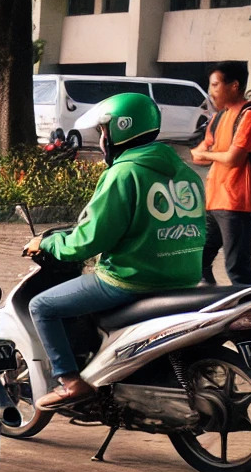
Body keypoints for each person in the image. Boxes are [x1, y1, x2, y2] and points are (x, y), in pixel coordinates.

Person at [26, 92, 208, 409]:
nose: (101, 140)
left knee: (42, 305)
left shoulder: (123, 174)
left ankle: (70, 382)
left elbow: (86, 242)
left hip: (130, 281)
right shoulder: (187, 174)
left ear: (120, 129)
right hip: (184, 278)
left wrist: (49, 242)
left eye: (103, 132)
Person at [192, 61, 251, 286]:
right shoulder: (218, 118)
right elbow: (197, 157)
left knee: (237, 268)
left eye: (215, 85)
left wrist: (212, 153)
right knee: (199, 261)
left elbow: (234, 159)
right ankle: (210, 304)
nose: (211, 91)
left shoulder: (250, 116)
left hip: (237, 202)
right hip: (214, 200)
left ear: (234, 85)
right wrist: (216, 153)